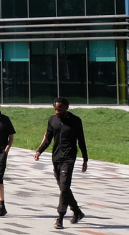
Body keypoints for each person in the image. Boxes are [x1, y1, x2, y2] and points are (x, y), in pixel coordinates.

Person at [34, 96, 88, 229]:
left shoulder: (75, 121)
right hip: (56, 157)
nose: (57, 111)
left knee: (64, 187)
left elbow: (81, 140)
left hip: (69, 158)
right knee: (63, 187)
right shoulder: (52, 120)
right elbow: (48, 138)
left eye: (60, 109)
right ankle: (77, 211)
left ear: (66, 107)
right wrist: (39, 151)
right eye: (55, 109)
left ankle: (60, 217)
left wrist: (85, 159)